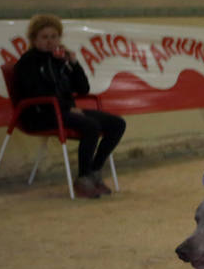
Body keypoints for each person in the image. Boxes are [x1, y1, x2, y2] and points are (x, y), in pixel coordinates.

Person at [12, 14, 126, 199]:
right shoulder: (27, 63)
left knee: (117, 124)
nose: (50, 41)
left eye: (54, 36)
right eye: (44, 37)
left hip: (63, 111)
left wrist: (74, 63)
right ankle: (83, 179)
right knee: (91, 126)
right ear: (34, 39)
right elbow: (37, 93)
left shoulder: (59, 61)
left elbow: (83, 89)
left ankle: (94, 171)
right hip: (39, 114)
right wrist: (66, 107)